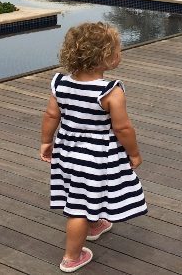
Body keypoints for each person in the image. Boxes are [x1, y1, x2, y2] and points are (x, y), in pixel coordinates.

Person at [41, 23, 147, 273]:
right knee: (78, 205)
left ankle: (93, 225)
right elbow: (123, 129)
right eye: (118, 51)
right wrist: (134, 153)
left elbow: (50, 115)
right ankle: (72, 256)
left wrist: (47, 141)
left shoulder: (60, 83)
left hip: (68, 152)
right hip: (97, 156)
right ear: (106, 58)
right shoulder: (111, 91)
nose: (120, 55)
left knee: (82, 192)